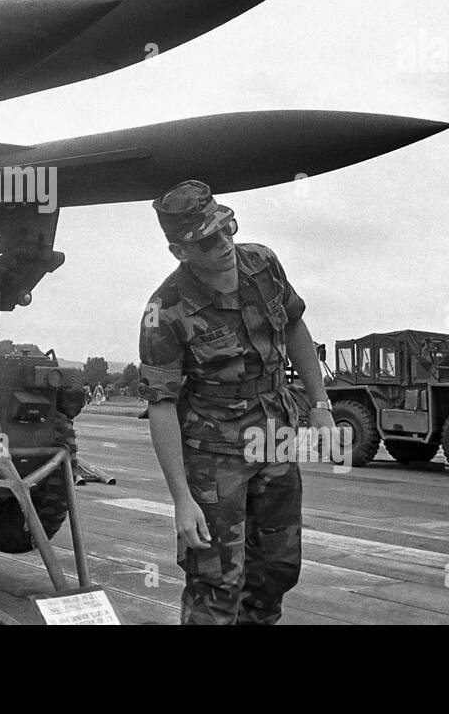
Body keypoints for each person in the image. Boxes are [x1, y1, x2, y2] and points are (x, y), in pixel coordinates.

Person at [138, 180, 332, 625]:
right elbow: (161, 405)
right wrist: (182, 500)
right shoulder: (164, 311)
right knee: (217, 583)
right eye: (207, 241)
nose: (225, 244)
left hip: (276, 439)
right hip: (214, 459)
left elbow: (296, 325)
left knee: (276, 570)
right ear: (180, 252)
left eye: (228, 228)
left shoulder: (262, 263)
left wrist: (319, 403)